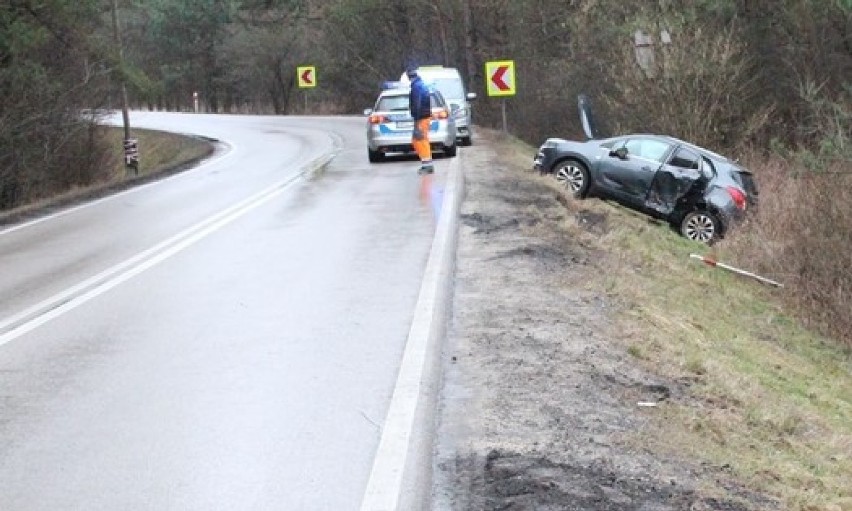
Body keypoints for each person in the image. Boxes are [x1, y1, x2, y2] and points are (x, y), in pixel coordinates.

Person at [407, 67, 434, 174]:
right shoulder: (420, 84)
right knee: (418, 140)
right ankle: (426, 163)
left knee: (420, 140)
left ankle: (427, 165)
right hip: (423, 116)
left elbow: (417, 103)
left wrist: (417, 119)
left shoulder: (416, 87)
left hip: (421, 117)